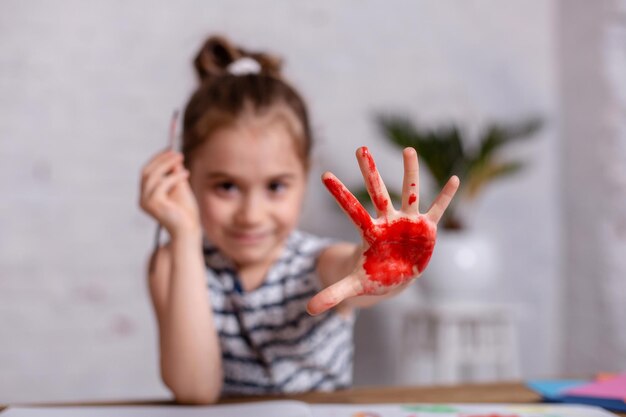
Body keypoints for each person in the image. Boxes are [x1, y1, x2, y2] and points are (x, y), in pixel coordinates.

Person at [139, 35, 459, 404]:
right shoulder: (173, 264)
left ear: (304, 176)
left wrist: (389, 270)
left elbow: (352, 271)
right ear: (184, 176)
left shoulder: (316, 261)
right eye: (226, 186)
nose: (251, 215)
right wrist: (182, 234)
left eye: (275, 186)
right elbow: (195, 390)